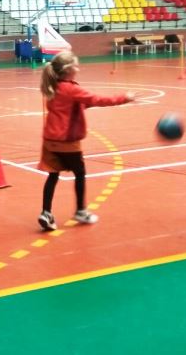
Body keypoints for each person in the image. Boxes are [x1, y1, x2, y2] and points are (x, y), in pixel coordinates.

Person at [36, 51, 134, 230]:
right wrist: (123, 98)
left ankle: (46, 212)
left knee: (53, 175)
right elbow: (96, 99)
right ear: (68, 70)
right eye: (76, 66)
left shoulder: (54, 87)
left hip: (50, 140)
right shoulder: (71, 89)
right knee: (79, 173)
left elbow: (73, 105)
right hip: (67, 141)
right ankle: (81, 210)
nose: (78, 69)